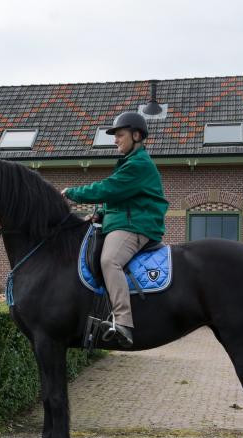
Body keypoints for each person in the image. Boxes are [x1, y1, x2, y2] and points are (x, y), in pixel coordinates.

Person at [61, 112, 168, 346]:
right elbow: (116, 199)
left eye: (120, 135)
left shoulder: (138, 164)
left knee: (110, 261)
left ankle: (123, 323)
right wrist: (100, 213)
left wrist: (72, 193)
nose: (115, 140)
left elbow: (107, 189)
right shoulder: (128, 163)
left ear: (136, 135)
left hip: (136, 225)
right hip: (123, 221)